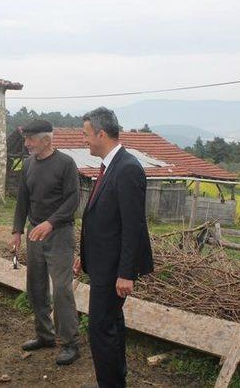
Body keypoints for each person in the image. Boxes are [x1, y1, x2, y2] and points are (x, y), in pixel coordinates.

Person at [73, 107, 154, 388]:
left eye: (86, 135)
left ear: (101, 134)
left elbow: (133, 227)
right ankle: (115, 380)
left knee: (101, 329)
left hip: (114, 270)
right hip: (102, 264)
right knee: (111, 325)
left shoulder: (128, 168)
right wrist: (83, 256)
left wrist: (126, 273)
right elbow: (102, 221)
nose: (84, 140)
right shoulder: (109, 166)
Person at [10, 119, 81, 366]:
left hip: (59, 233)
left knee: (61, 289)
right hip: (34, 233)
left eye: (30, 139)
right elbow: (22, 201)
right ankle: (44, 334)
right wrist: (17, 230)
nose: (26, 144)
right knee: (36, 286)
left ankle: (70, 343)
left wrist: (50, 223)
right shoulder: (29, 165)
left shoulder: (65, 164)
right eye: (26, 139)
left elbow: (73, 200)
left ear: (46, 140)